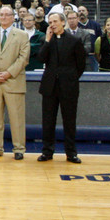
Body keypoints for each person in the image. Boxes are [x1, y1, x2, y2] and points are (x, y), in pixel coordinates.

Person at [37, 11, 87, 163]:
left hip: (68, 86)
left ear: (63, 23)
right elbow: (40, 58)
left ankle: (71, 153)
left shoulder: (74, 40)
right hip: (49, 86)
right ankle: (47, 152)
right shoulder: (47, 40)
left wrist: (70, 78)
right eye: (50, 22)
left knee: (69, 121)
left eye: (55, 21)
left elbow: (81, 66)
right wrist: (47, 40)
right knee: (48, 120)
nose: (52, 24)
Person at [0, 6, 30, 159]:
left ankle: (19, 149)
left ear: (13, 17)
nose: (3, 17)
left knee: (17, 118)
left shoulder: (22, 35)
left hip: (14, 82)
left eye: (7, 15)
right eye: (1, 15)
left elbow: (24, 58)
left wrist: (8, 73)